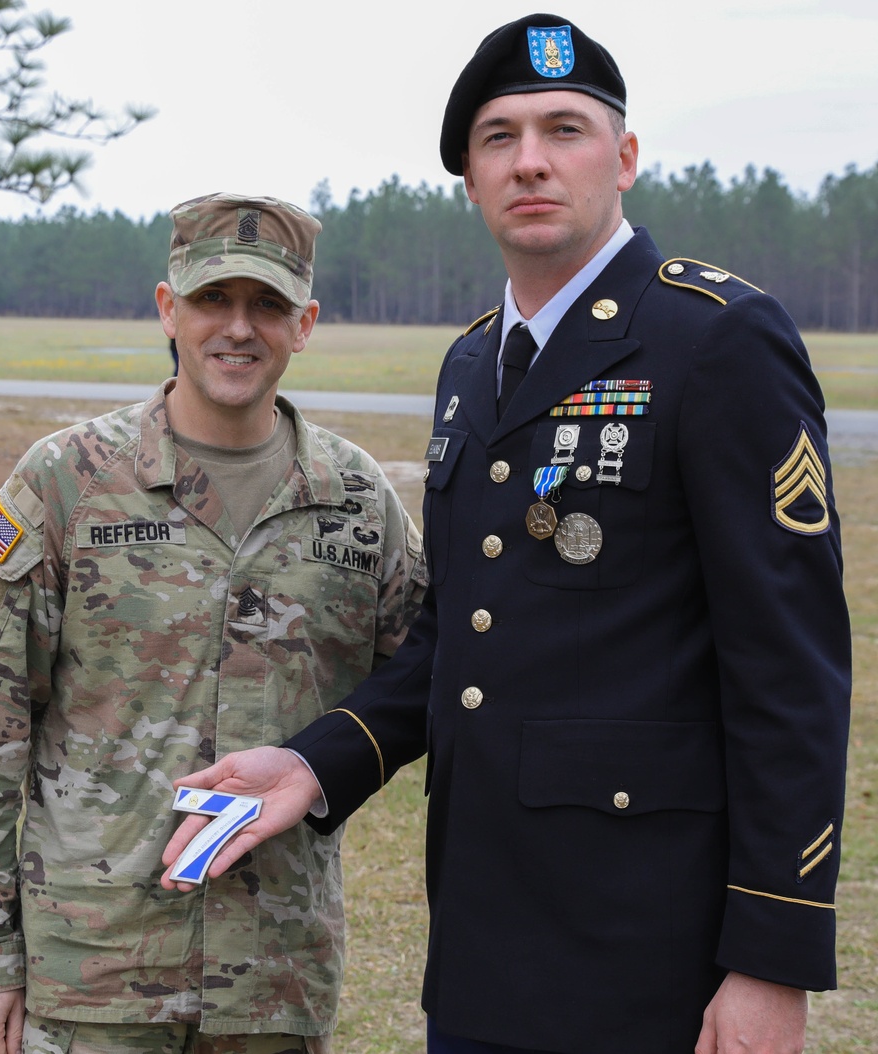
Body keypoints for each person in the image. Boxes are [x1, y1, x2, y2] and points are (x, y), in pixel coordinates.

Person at [161, 17, 853, 1054]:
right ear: (471, 182)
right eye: (498, 138)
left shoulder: (714, 340)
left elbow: (789, 667)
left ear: (621, 159)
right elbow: (463, 631)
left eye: (562, 129)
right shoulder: (473, 362)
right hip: (486, 941)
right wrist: (316, 765)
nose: (530, 159)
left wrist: (769, 958)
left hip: (653, 953)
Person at [0, 191, 427, 1054]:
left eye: (268, 304)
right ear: (166, 309)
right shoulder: (68, 481)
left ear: (306, 324)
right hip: (93, 980)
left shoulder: (358, 501)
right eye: (212, 300)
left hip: (276, 983)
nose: (238, 328)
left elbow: (425, 687)